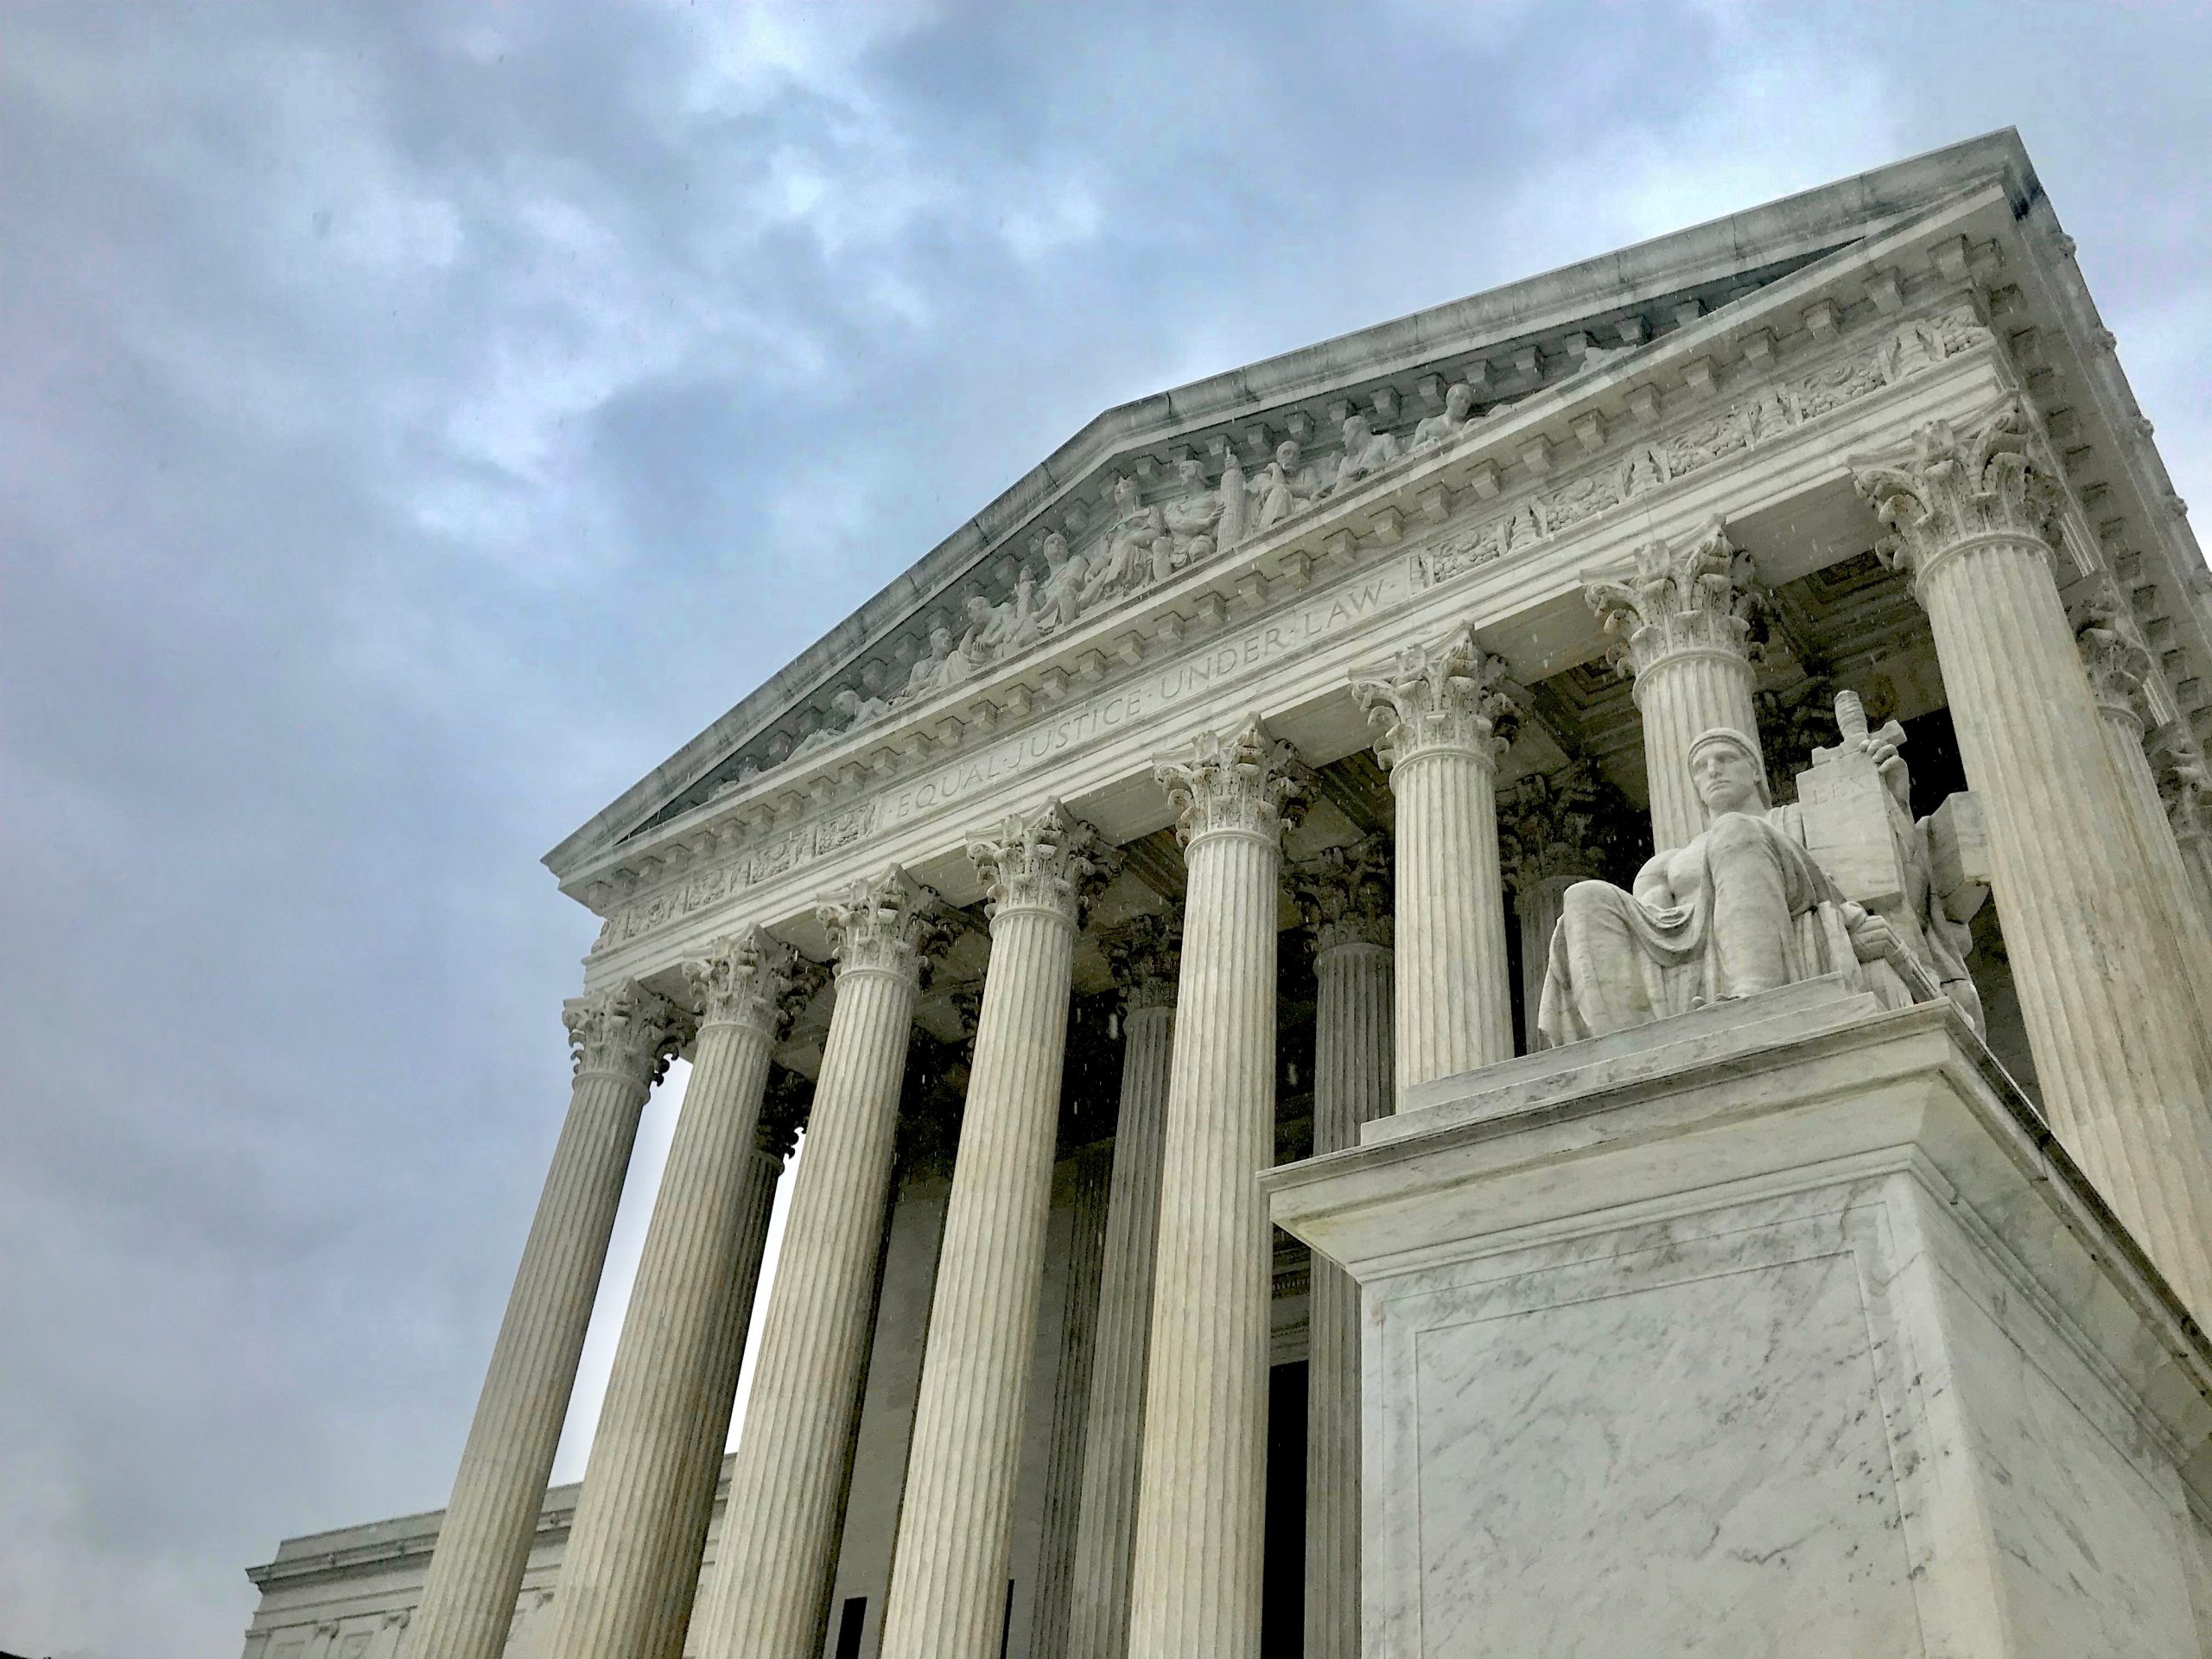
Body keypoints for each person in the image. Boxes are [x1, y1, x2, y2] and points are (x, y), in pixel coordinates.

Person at [1538, 728, 1895, 1044]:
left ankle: (1755, 994)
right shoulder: (1665, 863)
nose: (1712, 770)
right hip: (1687, 936)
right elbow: (1653, 926)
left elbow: (1880, 871)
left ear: (1755, 770)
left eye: (1725, 758)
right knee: (1582, 896)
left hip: (1790, 904)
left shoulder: (1795, 818)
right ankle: (1627, 1043)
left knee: (1734, 830)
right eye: (1700, 766)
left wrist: (1888, 790)